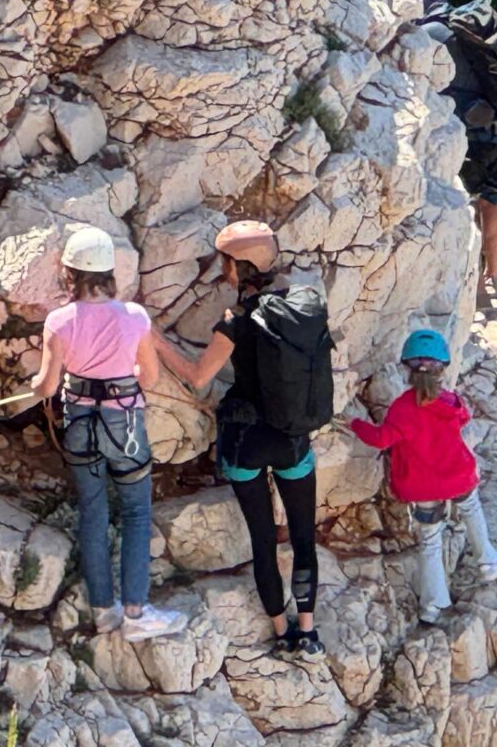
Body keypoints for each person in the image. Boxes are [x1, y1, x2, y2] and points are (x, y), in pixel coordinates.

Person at [152, 221, 331, 662]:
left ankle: (280, 631)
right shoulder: (303, 306)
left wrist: (156, 341)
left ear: (238, 267)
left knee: (262, 539)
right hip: (291, 438)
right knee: (303, 536)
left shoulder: (237, 320)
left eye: (226, 264)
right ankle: (307, 631)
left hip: (246, 441)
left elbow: (199, 377)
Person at [31, 225, 187, 642]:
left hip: (80, 422)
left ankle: (103, 610)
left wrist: (35, 384)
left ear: (69, 273)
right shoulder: (134, 317)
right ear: (108, 272)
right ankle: (136, 612)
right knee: (135, 511)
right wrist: (121, 373)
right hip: (124, 426)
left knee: (93, 512)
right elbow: (149, 377)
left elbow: (47, 386)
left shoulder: (58, 321)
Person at [348, 329, 497, 623]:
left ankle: (433, 606)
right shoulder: (450, 402)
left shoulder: (402, 408)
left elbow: (382, 439)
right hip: (457, 476)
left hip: (422, 487)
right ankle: (487, 561)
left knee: (430, 541)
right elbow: (464, 417)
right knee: (471, 507)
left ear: (407, 369)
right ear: (441, 369)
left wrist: (354, 423)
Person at [413, 0, 497, 299]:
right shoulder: (475, 25)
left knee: (462, 202)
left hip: (471, 134)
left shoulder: (430, 33)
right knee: (494, 201)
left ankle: (469, 282)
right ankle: (493, 277)